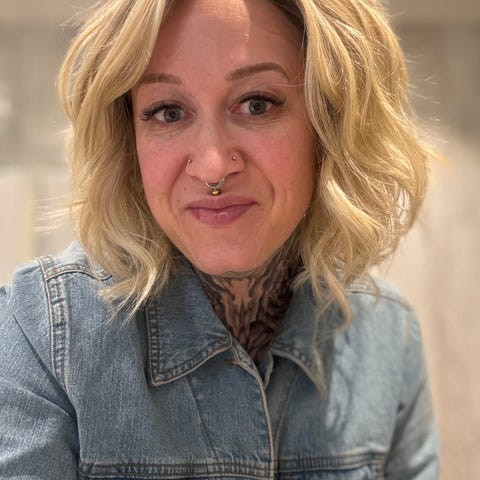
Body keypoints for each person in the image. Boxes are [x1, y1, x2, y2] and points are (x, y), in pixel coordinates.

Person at [0, 0, 439, 478]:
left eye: (257, 104)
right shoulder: (43, 336)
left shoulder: (389, 338)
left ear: (330, 124)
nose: (212, 168)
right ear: (129, 140)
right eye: (168, 112)